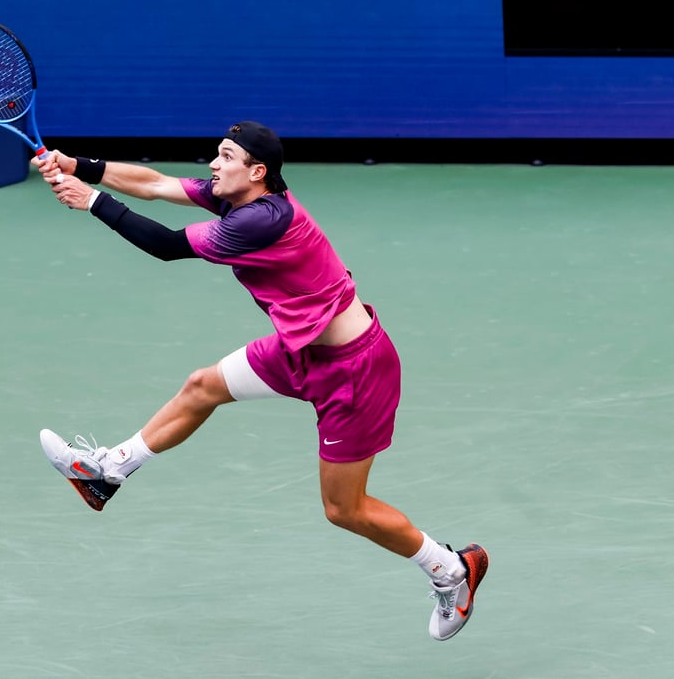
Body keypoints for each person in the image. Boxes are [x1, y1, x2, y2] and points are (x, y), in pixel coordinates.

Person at [31, 121, 488, 641]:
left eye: (225, 156)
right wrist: (80, 167)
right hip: (300, 349)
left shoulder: (263, 221)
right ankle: (107, 473)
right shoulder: (238, 198)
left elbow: (165, 245)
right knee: (202, 386)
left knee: (344, 509)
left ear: (257, 171)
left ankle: (452, 569)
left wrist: (91, 201)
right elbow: (157, 184)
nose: (213, 164)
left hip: (355, 370)